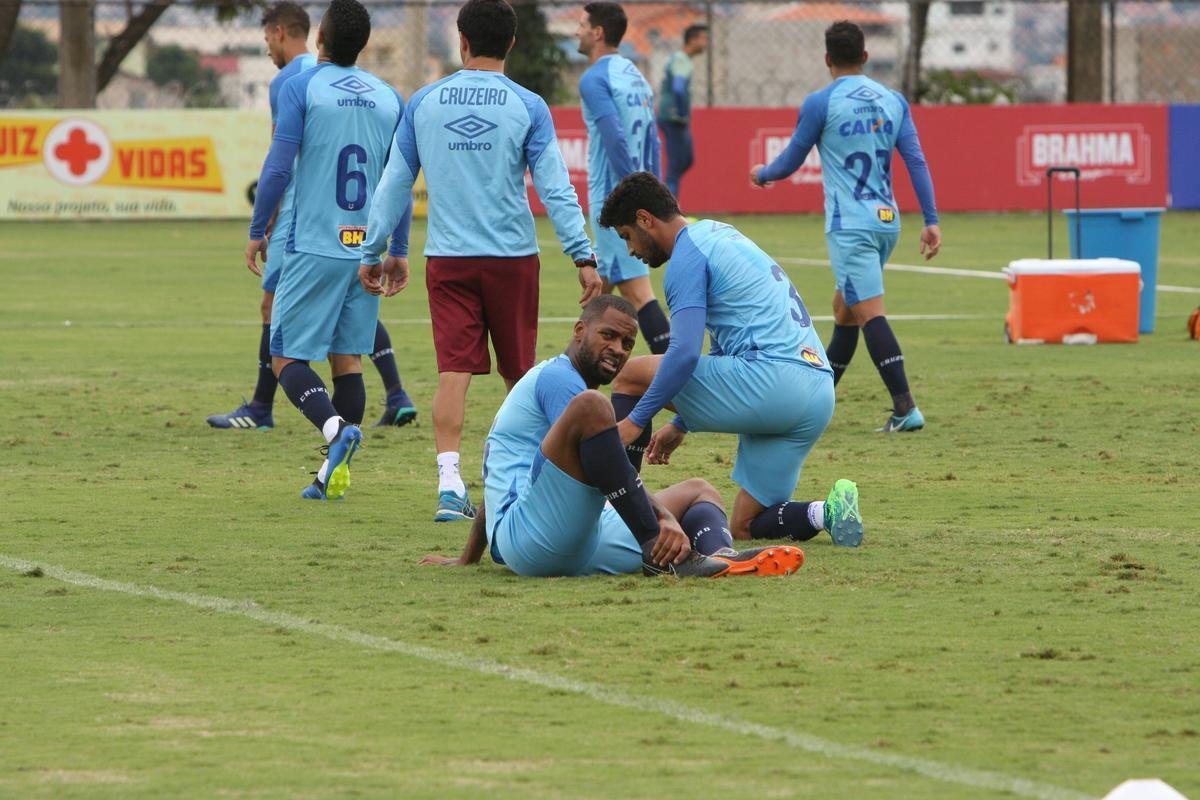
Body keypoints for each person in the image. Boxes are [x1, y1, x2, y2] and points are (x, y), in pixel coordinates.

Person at [360, 0, 602, 523]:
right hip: (512, 259)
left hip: (448, 259)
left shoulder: (424, 102)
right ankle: (525, 481)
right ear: (512, 43)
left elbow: (393, 186)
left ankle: (450, 484)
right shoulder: (528, 106)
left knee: (453, 371)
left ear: (461, 40)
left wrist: (373, 249)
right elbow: (556, 189)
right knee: (520, 378)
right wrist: (582, 254)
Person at [419, 295, 805, 578]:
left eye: (626, 344)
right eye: (608, 336)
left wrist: (468, 557)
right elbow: (590, 465)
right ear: (579, 330)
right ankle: (658, 544)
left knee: (699, 490)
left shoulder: (555, 382)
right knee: (594, 408)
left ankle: (719, 556)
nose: (617, 350)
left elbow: (503, 479)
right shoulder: (558, 380)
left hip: (572, 537)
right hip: (532, 540)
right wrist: (660, 518)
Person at [598, 172, 864, 548]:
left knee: (629, 375)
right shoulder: (718, 233)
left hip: (773, 382)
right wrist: (681, 423)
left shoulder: (686, 258)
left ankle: (626, 517)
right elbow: (723, 348)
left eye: (627, 236)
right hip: (817, 390)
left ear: (645, 219)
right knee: (746, 524)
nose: (630, 251)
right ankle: (828, 511)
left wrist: (635, 421)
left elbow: (685, 353)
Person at [208, 0, 417, 431]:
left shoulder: (300, 87)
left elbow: (278, 166)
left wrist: (256, 227)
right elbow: (398, 182)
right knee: (348, 360)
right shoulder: (390, 97)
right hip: (366, 250)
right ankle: (333, 471)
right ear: (363, 45)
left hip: (314, 243)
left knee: (286, 356)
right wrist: (397, 248)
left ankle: (333, 430)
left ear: (318, 37)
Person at [750, 20, 941, 433]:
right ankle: (818, 402)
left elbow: (791, 160)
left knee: (869, 312)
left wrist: (762, 172)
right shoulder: (893, 100)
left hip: (849, 226)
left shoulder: (822, 102)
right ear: (866, 57)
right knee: (845, 310)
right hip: (887, 222)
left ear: (827, 59)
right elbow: (916, 161)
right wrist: (931, 220)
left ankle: (905, 408)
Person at [575, 2, 671, 356]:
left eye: (582, 25)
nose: (576, 31)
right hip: (638, 192)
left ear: (598, 33)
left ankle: (680, 383)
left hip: (616, 201)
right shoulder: (635, 75)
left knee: (638, 292)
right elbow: (652, 137)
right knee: (599, 294)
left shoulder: (595, 78)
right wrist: (657, 191)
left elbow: (614, 137)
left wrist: (634, 193)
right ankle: (576, 378)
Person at [656, 23, 707, 200]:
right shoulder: (681, 60)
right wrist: (679, 111)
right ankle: (668, 209)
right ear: (692, 40)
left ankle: (667, 201)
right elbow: (678, 87)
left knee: (685, 160)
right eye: (703, 38)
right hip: (673, 117)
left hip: (674, 117)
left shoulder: (683, 59)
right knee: (677, 163)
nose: (706, 43)